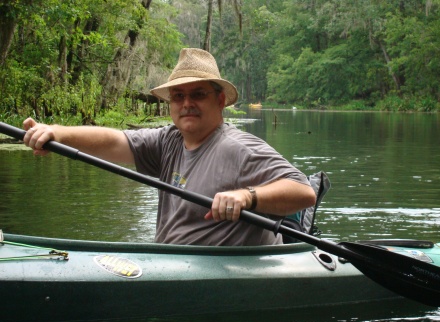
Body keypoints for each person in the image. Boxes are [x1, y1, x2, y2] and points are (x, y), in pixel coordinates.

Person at [23, 48, 316, 246]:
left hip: (227, 276)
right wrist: (57, 133)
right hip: (169, 264)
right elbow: (115, 140)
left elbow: (303, 192)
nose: (186, 104)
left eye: (197, 94)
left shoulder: (238, 148)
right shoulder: (167, 141)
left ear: (220, 101)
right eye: (178, 96)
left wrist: (247, 196)